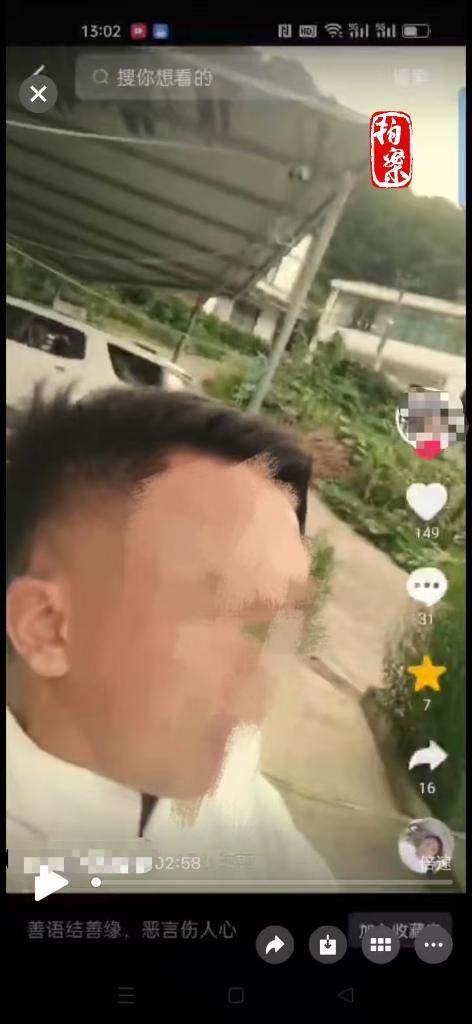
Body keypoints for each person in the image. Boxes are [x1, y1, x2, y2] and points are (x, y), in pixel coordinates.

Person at [6, 386, 333, 888]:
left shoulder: (231, 782)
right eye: (223, 611)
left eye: (270, 625)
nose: (262, 674)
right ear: (47, 628)